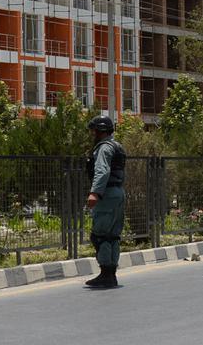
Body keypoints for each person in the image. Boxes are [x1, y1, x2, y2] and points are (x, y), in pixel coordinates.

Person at [84, 115, 126, 288]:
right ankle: (111, 274)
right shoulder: (117, 146)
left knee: (100, 235)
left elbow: (102, 171)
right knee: (113, 235)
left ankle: (105, 274)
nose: (92, 133)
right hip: (118, 193)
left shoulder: (104, 148)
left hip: (106, 194)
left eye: (94, 130)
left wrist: (95, 193)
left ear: (99, 131)